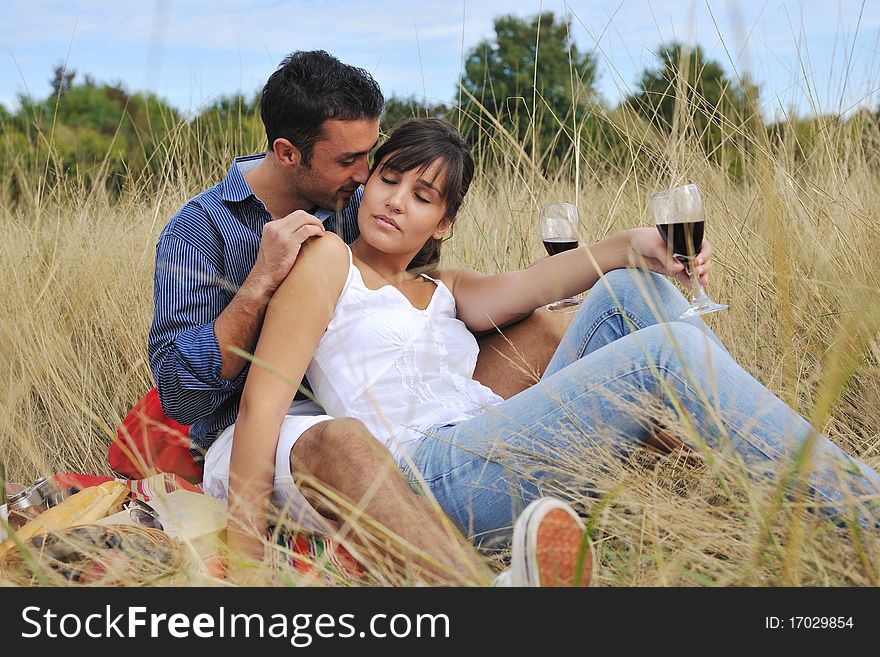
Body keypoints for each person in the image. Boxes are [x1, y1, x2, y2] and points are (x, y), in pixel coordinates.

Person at [229, 117, 880, 565]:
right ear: (366, 181)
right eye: (390, 179)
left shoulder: (446, 286)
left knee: (627, 290)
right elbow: (263, 402)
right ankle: (863, 507)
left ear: (444, 221)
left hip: (495, 445)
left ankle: (790, 484)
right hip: (427, 480)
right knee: (661, 356)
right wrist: (245, 553)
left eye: (422, 195)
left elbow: (543, 280)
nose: (396, 200)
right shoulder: (326, 262)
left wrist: (637, 245)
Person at [148, 50, 578, 585]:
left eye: (371, 157)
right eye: (349, 159)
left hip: (382, 417)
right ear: (287, 153)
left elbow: (413, 291)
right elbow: (178, 396)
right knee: (341, 436)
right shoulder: (199, 231)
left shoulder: (356, 199)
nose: (365, 174)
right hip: (270, 433)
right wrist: (259, 284)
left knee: (542, 329)